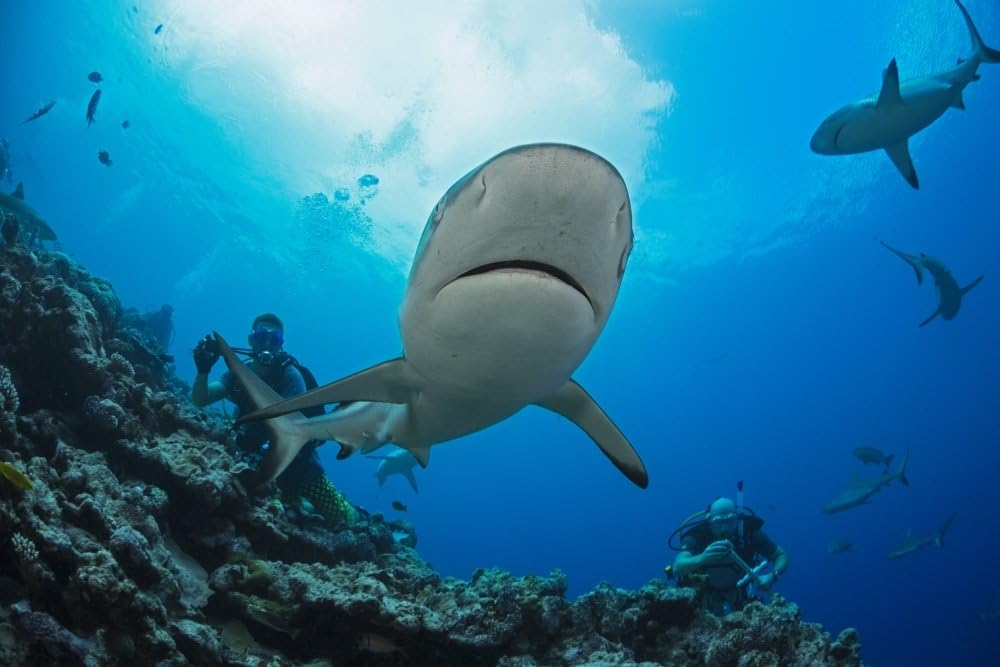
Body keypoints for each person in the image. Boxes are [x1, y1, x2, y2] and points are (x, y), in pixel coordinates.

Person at [191, 312, 354, 525]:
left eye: (274, 339)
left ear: (281, 344)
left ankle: (357, 514)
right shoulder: (239, 373)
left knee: (341, 518)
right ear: (251, 340)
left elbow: (291, 426)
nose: (267, 343)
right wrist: (203, 370)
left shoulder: (291, 377)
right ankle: (300, 504)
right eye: (261, 336)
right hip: (253, 460)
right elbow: (201, 399)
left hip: (298, 465)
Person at [670, 497, 789, 614]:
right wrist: (702, 558)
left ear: (738, 519)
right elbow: (677, 568)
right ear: (709, 520)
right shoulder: (697, 535)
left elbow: (780, 555)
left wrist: (773, 576)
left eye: (731, 521)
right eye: (718, 522)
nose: (725, 528)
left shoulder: (748, 532)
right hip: (704, 594)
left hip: (740, 594)